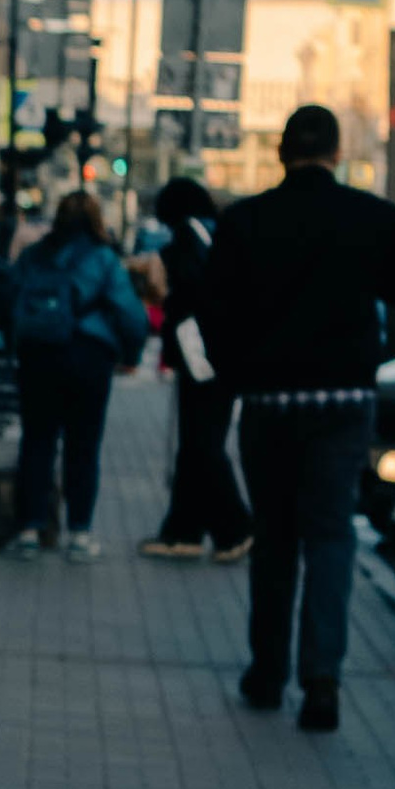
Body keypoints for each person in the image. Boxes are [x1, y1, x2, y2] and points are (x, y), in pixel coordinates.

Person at [199, 101, 395, 730]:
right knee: (330, 537)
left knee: (275, 540)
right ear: (338, 154)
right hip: (344, 403)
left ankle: (267, 674)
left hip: (267, 404)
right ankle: (322, 682)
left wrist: (239, 372)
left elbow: (214, 311)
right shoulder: (372, 217)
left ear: (280, 153)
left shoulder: (244, 222)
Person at [5, 185, 151, 557]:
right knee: (83, 445)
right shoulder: (103, 259)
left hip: (38, 357)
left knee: (37, 440)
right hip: (88, 357)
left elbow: (8, 297)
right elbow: (131, 315)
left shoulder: (36, 255)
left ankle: (28, 530)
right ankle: (79, 533)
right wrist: (131, 353)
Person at [139, 176, 251, 562]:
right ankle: (184, 530)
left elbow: (190, 287)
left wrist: (162, 283)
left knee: (203, 444)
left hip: (203, 357)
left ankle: (235, 527)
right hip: (227, 353)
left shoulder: (188, 238)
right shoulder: (220, 232)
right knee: (196, 445)